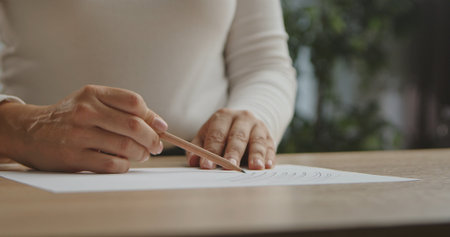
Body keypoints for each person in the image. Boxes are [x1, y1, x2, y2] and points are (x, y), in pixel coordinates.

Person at [0, 0, 296, 173]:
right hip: (32, 176)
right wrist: (20, 130)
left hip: (203, 179)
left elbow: (264, 64)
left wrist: (252, 115)